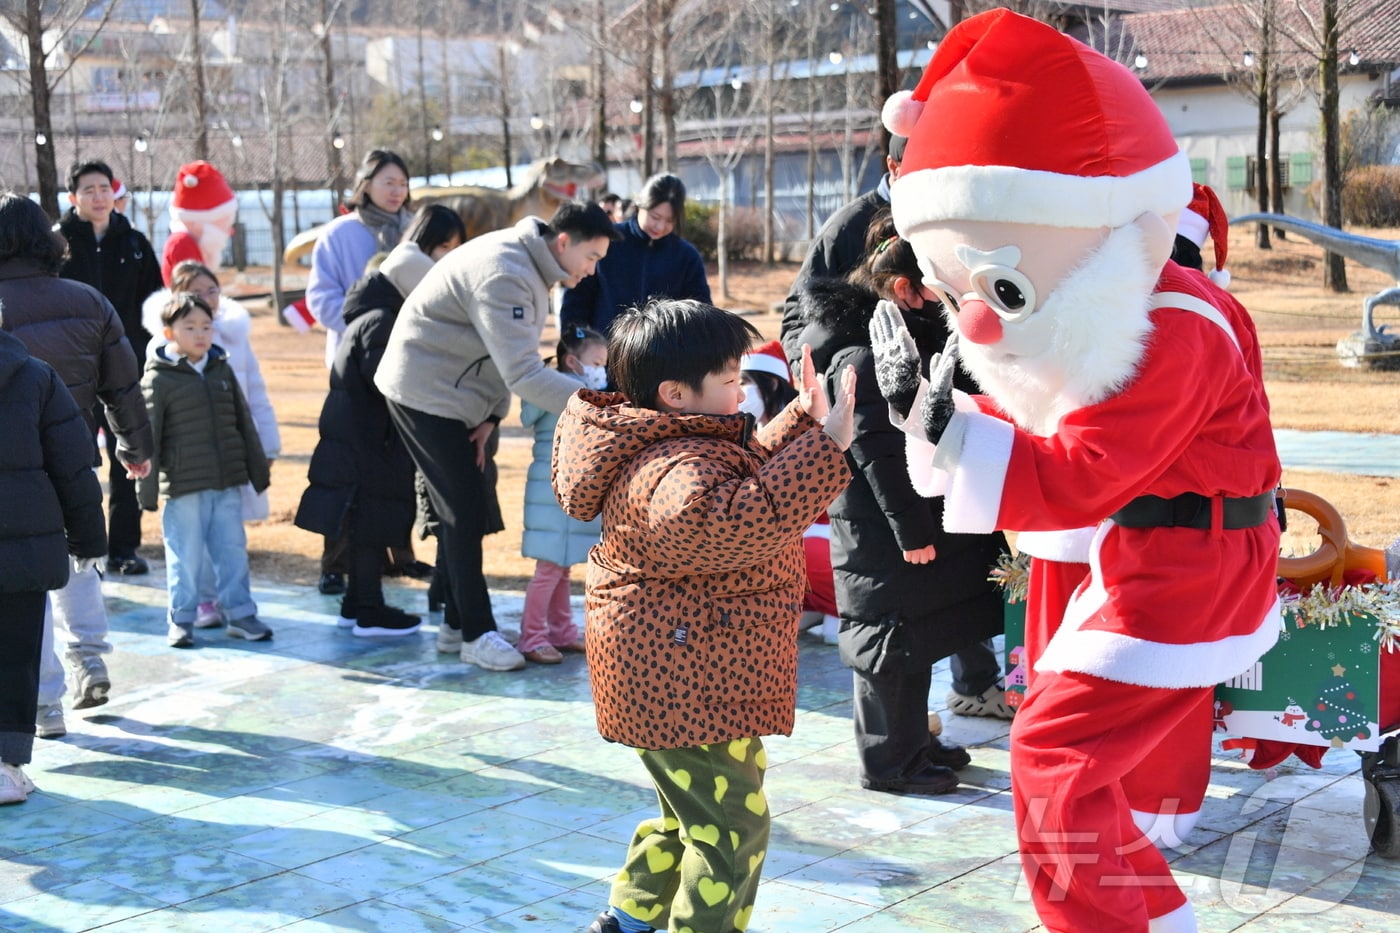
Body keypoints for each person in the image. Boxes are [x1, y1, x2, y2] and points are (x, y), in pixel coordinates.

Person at [872, 11, 1280, 931]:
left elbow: (1089, 462)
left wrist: (946, 425)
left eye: (999, 292)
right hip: (1145, 554)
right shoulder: (1135, 306)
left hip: (1185, 567)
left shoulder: (1177, 327)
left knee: (1053, 756)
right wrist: (941, 420)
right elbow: (1058, 422)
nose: (976, 321)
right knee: (1061, 759)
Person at [552, 298, 854, 933]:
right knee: (731, 828)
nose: (743, 392)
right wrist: (826, 449)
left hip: (689, 669)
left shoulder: (679, 440)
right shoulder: (672, 465)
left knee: (687, 811)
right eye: (730, 381)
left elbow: (741, 474)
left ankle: (629, 919)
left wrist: (802, 421)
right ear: (675, 394)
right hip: (685, 673)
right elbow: (731, 522)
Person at [780, 136, 1012, 724]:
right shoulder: (853, 228)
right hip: (874, 443)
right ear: (894, 166)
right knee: (894, 610)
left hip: (932, 441)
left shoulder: (951, 219)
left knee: (947, 589)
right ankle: (897, 743)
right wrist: (827, 384)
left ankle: (966, 693)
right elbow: (800, 318)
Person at [375, 201, 620, 672]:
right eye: (591, 257)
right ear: (564, 242)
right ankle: (475, 633)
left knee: (465, 507)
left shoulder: (533, 265)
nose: (592, 271)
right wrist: (604, 410)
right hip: (423, 390)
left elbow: (501, 353)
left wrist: (490, 414)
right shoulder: (506, 271)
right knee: (462, 508)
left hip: (461, 396)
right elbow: (525, 373)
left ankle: (455, 622)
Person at [0, 192, 152, 738]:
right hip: (74, 451)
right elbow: (122, 383)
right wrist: (135, 447)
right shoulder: (88, 300)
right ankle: (90, 656)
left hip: (10, 468)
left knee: (23, 584)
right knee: (81, 553)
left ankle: (44, 704)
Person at [295, 204, 466, 637]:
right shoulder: (384, 321)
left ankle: (358, 603)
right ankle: (369, 608)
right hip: (373, 440)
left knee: (366, 524)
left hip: (363, 438)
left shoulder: (371, 313)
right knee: (370, 524)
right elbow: (385, 382)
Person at [0, 317, 107, 805]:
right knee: (18, 655)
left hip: (25, 545)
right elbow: (72, 464)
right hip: (23, 548)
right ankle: (5, 766)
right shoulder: (37, 376)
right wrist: (87, 538)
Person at [144, 260, 282, 630]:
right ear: (170, 332)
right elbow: (149, 433)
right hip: (185, 481)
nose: (201, 333)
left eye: (206, 326)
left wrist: (259, 459)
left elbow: (245, 417)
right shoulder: (159, 376)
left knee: (231, 549)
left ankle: (241, 613)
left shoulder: (223, 366)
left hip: (225, 477)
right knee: (186, 554)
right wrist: (146, 486)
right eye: (190, 327)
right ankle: (184, 617)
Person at [306, 149, 413, 596]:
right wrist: (366, 328)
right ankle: (335, 562)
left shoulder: (413, 232)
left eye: (402, 182)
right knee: (348, 466)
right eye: (388, 181)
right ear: (366, 183)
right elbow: (320, 298)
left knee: (396, 465)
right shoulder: (339, 234)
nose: (396, 190)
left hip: (407, 365)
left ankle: (395, 555)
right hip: (354, 366)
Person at [56, 159, 163, 577]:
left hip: (124, 369)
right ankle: (80, 548)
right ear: (73, 197)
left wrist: (140, 350)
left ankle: (123, 548)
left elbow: (154, 305)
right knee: (74, 459)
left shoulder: (133, 242)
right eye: (89, 190)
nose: (99, 197)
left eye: (105, 188)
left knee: (128, 458)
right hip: (71, 373)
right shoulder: (56, 245)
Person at [738, 339, 840, 645]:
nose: (739, 393)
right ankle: (812, 604)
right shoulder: (753, 429)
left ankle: (836, 606)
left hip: (821, 536)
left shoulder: (804, 428)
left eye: (745, 382)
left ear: (771, 382)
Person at [516, 324, 607, 664]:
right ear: (572, 362)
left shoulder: (589, 395)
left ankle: (562, 631)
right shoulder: (550, 393)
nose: (602, 370)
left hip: (567, 487)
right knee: (549, 568)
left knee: (562, 566)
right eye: (596, 362)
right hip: (549, 490)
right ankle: (532, 637)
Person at [560, 173, 710, 336]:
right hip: (605, 354)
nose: (660, 226)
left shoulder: (687, 257)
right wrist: (576, 343)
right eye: (655, 216)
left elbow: (701, 313)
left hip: (665, 357)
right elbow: (576, 301)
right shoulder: (608, 240)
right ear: (640, 204)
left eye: (669, 221)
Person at [161, 161, 239, 285]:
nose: (230, 232)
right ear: (201, 221)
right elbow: (194, 295)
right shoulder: (182, 244)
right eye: (225, 223)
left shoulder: (193, 243)